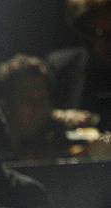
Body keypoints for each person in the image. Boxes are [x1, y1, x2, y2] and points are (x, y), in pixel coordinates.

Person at [0, 53, 111, 162]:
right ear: (6, 104)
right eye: (28, 100)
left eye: (43, 99)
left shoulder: (58, 135)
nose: (38, 107)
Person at [47, 0, 111, 131]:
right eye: (102, 34)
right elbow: (29, 112)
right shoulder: (60, 67)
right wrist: (58, 116)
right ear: (86, 34)